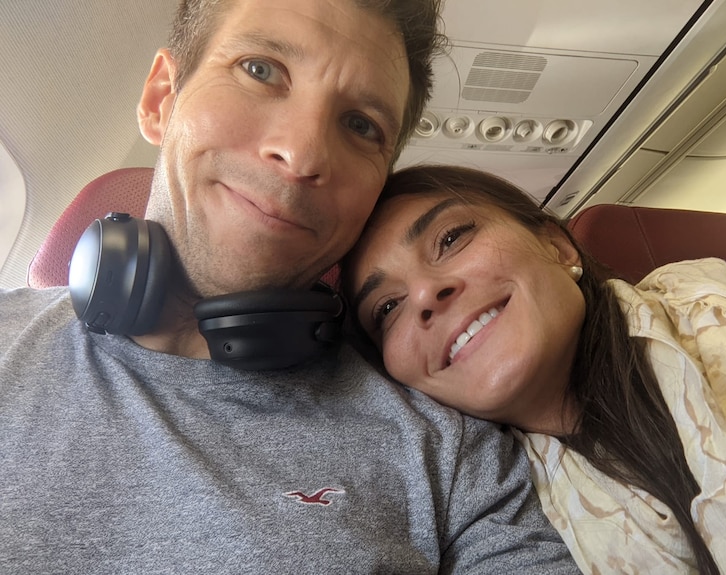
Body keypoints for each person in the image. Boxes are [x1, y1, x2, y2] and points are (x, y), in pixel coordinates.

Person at [0, 2, 579, 573]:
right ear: (161, 99)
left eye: (361, 125)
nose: (302, 155)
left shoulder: (447, 446)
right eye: (261, 69)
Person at [342, 164, 726, 574]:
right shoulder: (489, 522)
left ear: (557, 245)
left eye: (451, 238)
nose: (426, 294)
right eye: (387, 309)